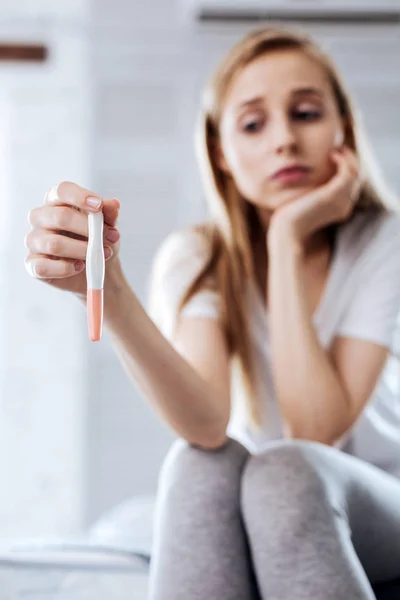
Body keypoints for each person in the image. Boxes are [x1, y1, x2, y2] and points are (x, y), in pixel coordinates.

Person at [24, 25, 400, 599]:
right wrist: (105, 290)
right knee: (199, 465)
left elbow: (313, 431)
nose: (284, 141)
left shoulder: (384, 240)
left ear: (344, 130)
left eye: (305, 113)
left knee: (285, 472)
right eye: (254, 123)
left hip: (378, 499)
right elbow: (204, 424)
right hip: (268, 500)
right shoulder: (197, 255)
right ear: (222, 153)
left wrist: (285, 240)